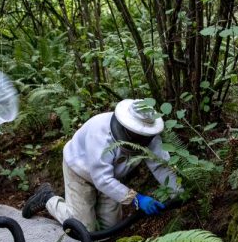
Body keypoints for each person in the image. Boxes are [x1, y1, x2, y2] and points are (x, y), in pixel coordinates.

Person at [22, 99, 181, 231]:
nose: (140, 138)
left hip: (112, 178)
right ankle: (48, 198)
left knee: (111, 227)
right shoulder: (100, 133)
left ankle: (91, 210)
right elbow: (102, 179)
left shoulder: (149, 135)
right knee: (83, 229)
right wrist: (136, 198)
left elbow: (161, 166)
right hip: (80, 171)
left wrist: (179, 194)